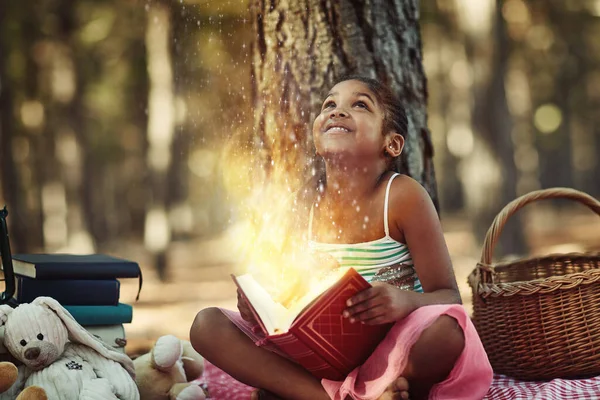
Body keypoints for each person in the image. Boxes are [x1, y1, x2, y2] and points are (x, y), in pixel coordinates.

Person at [190, 75, 493, 400]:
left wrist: (404, 301)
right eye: (329, 105)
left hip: (393, 351)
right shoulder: (304, 204)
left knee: (449, 331)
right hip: (320, 357)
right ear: (317, 139)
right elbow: (291, 294)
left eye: (360, 105)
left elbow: (448, 296)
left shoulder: (402, 196)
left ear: (390, 143)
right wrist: (261, 310)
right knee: (207, 325)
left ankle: (363, 388)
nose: (337, 112)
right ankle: (345, 397)